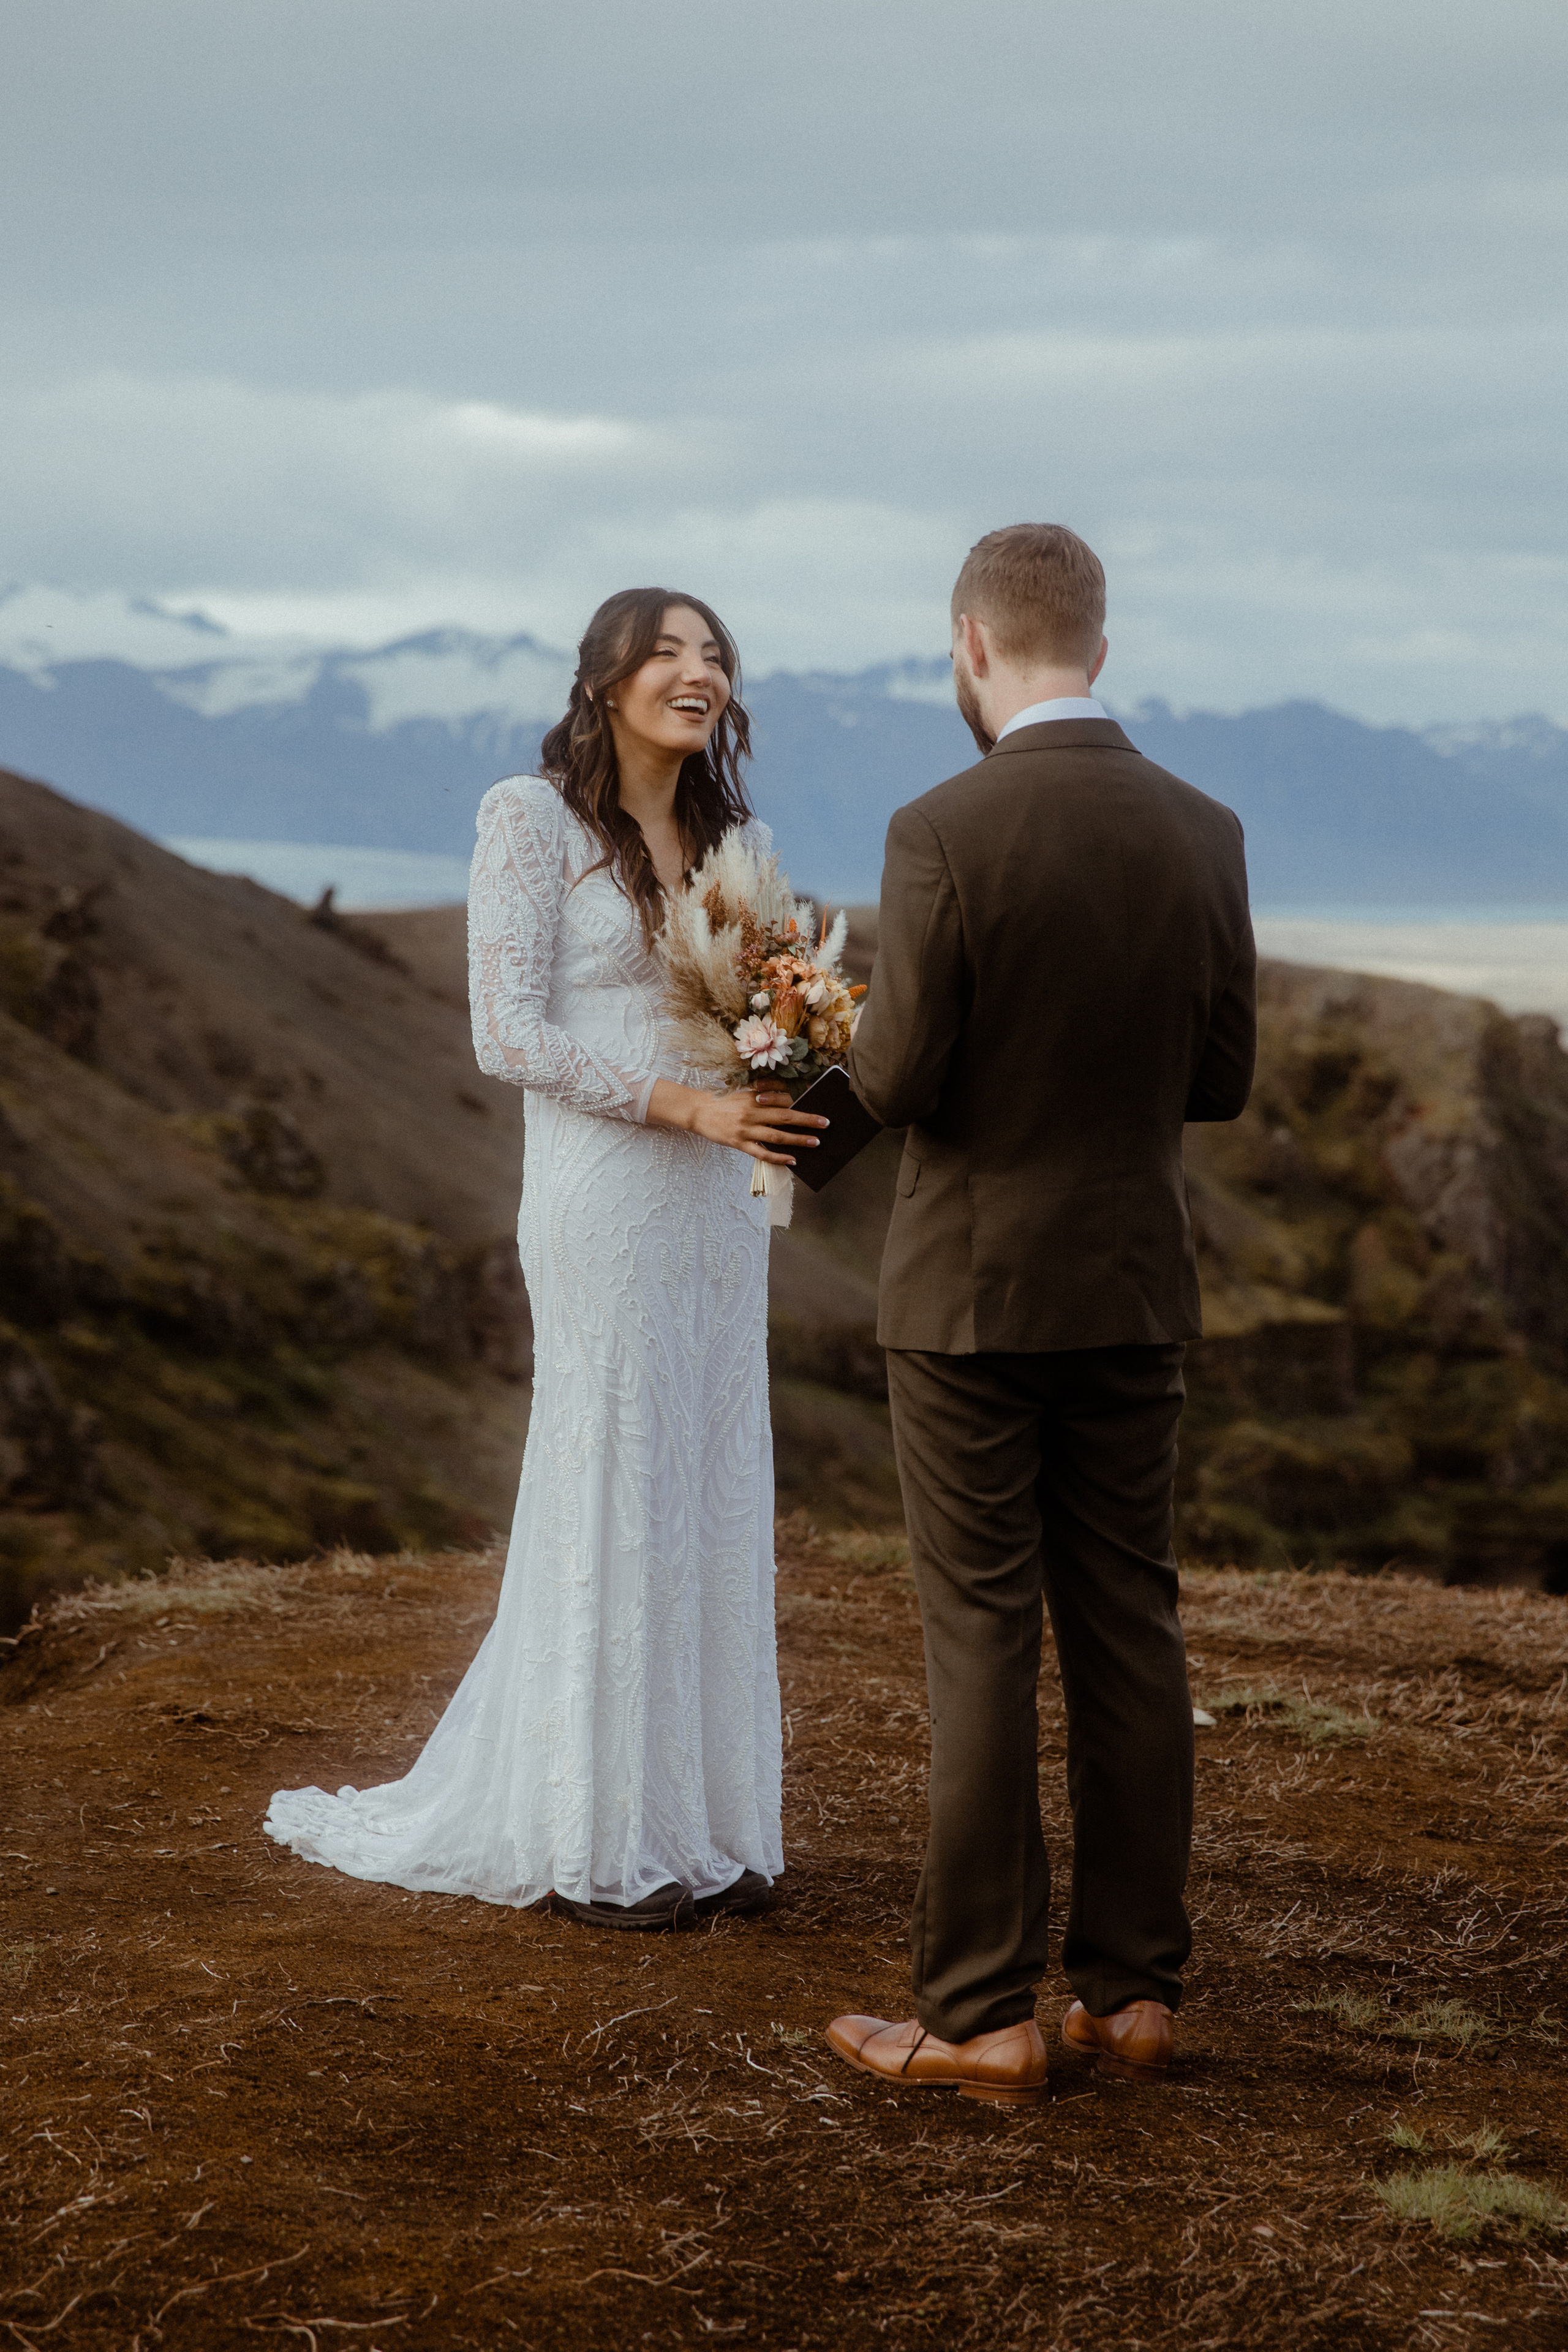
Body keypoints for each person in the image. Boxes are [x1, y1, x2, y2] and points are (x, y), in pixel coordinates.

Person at [265, 589, 827, 1929]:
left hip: (710, 1205)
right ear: (605, 680)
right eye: (669, 651)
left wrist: (794, 1050)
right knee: (615, 1463)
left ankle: (707, 1830)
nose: (697, 672)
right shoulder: (527, 820)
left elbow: (765, 1007)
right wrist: (684, 1104)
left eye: (715, 657)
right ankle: (594, 1833)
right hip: (602, 1190)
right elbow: (504, 1031)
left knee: (705, 1466)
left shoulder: (735, 835)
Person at [827, 524, 1256, 2101]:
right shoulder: (1203, 829)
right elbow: (1219, 1080)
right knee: (1129, 1624)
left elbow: (899, 1071)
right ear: (1098, 641)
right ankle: (1133, 1995)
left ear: (968, 644)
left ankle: (975, 2013)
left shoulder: (939, 826)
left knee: (981, 1638)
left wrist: (788, 1133)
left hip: (968, 1298)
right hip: (1133, 1280)